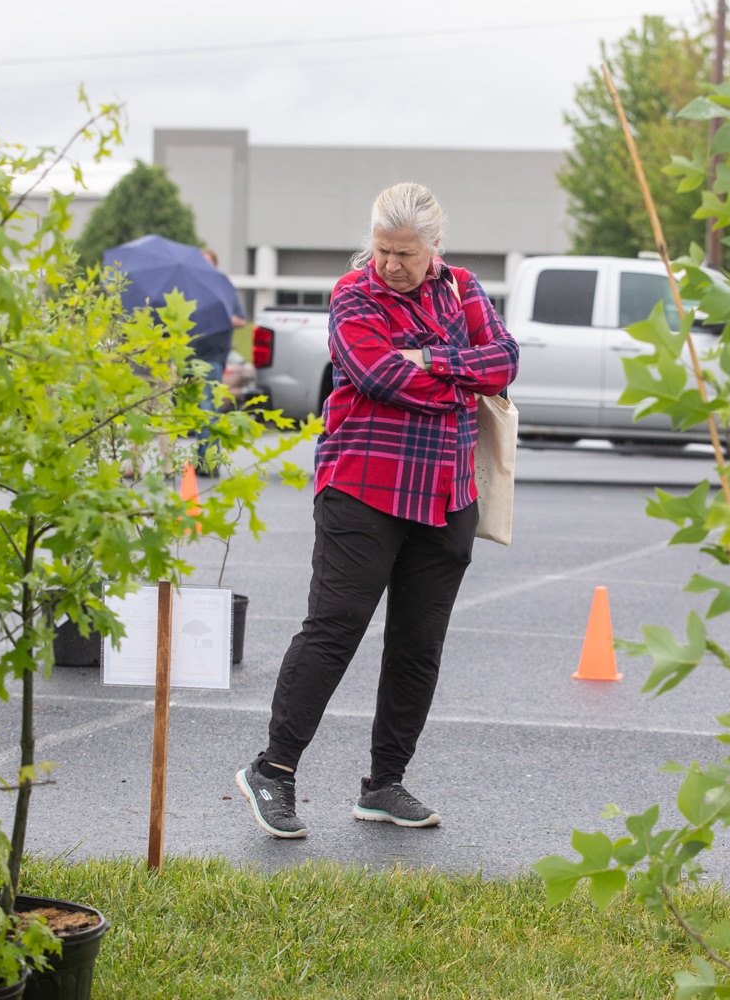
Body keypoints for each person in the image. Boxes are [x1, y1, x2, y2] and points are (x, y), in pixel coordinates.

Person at [234, 182, 519, 839]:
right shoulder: (352, 294)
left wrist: (430, 359)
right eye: (383, 249)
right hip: (364, 487)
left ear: (435, 246)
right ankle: (272, 771)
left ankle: (384, 784)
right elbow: (378, 377)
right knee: (333, 630)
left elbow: (504, 363)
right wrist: (458, 376)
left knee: (418, 645)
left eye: (406, 253)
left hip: (448, 494)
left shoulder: (463, 289)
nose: (390, 264)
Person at [191, 247, 245, 474]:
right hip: (187, 357)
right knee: (194, 413)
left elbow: (241, 319)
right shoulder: (189, 287)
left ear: (216, 265)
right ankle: (201, 458)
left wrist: (219, 318)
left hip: (212, 358)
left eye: (208, 263)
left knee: (208, 409)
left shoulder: (224, 288)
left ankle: (209, 462)